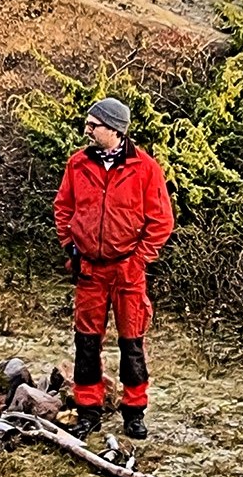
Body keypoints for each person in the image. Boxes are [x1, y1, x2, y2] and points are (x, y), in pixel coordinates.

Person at [52, 97, 175, 440]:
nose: (87, 130)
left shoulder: (145, 168)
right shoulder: (77, 164)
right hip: (89, 270)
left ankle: (134, 412)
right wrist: (71, 248)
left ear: (115, 129)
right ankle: (88, 409)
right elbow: (63, 208)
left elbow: (161, 221)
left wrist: (138, 260)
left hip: (127, 272)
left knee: (132, 343)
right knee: (87, 342)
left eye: (94, 124)